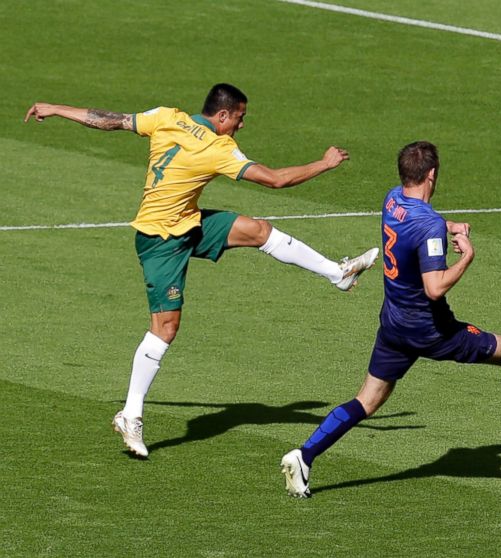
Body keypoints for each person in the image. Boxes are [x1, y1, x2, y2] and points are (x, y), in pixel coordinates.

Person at [24, 83, 379, 458]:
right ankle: (130, 414)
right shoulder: (217, 148)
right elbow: (276, 179)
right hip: (160, 241)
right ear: (223, 116)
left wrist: (55, 107)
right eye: (239, 118)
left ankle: (336, 274)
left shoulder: (167, 117)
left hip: (188, 223)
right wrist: (324, 163)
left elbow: (110, 121)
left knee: (258, 230)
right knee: (166, 328)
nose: (241, 126)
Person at [280, 141, 501, 498]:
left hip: (393, 324)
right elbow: (434, 288)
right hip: (430, 330)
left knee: (367, 402)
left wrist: (449, 227)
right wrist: (466, 257)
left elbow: (417, 226)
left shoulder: (392, 199)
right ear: (432, 175)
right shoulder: (428, 224)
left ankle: (304, 455)